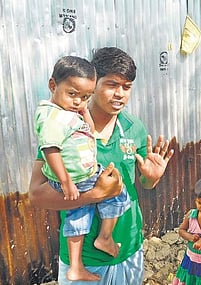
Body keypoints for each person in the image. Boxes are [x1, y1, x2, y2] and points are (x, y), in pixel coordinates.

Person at [29, 47, 174, 284]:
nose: (120, 94)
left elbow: (144, 185)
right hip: (84, 258)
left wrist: (152, 177)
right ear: (93, 83)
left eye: (126, 87)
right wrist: (95, 194)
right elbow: (36, 195)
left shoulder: (134, 127)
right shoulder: (64, 127)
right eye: (112, 85)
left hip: (128, 249)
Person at [34, 55, 131, 281]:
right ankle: (104, 237)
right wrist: (69, 183)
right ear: (52, 85)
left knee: (78, 215)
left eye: (85, 97)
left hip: (79, 178)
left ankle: (76, 266)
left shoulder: (68, 113)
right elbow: (50, 150)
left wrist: (84, 111)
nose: (79, 102)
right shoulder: (53, 118)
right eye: (73, 94)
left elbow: (84, 126)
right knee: (117, 193)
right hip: (78, 178)